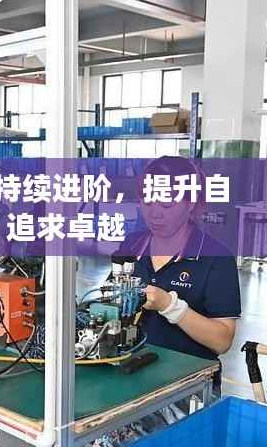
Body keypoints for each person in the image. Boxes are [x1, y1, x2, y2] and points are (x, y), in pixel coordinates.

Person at [95, 156, 241, 447]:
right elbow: (110, 302)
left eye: (166, 203)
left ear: (190, 203)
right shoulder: (133, 245)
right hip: (128, 380)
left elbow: (222, 340)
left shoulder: (216, 257)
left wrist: (171, 306)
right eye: (148, 201)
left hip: (186, 390)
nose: (155, 213)